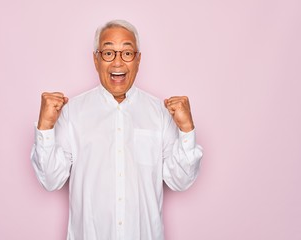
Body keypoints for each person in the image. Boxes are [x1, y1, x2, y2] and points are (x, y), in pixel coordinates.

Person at [31, 19, 203, 240]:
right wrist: (45, 127)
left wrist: (187, 130)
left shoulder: (159, 113)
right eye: (109, 53)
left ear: (138, 59)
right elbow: (50, 180)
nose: (118, 62)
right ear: (96, 59)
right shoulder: (72, 112)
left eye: (127, 53)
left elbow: (180, 181)